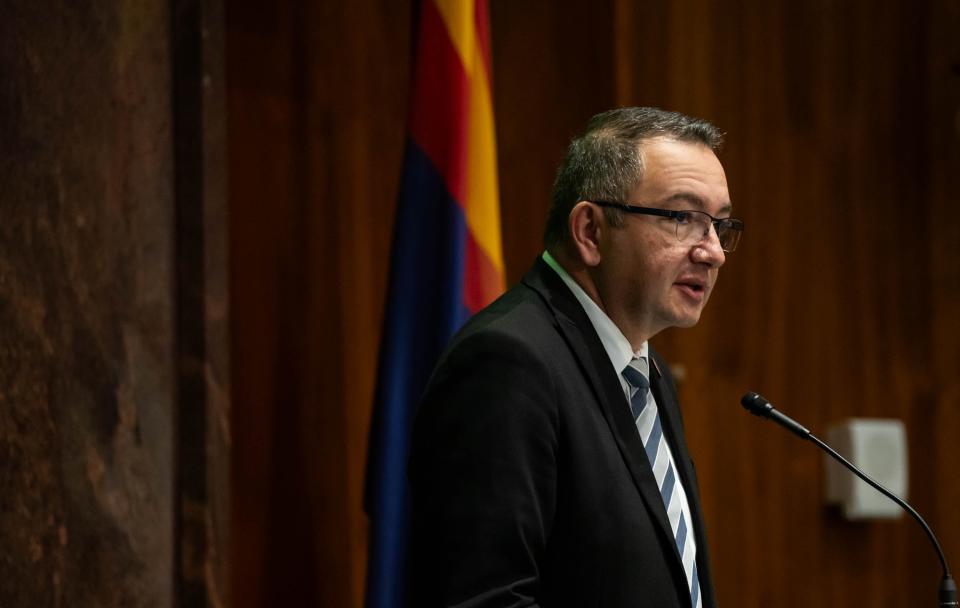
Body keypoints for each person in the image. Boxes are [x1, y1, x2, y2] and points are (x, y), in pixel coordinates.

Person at [406, 107, 743, 608]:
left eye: (718, 224)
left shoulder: (645, 374)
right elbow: (486, 599)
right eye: (682, 218)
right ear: (590, 231)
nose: (712, 251)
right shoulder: (507, 364)